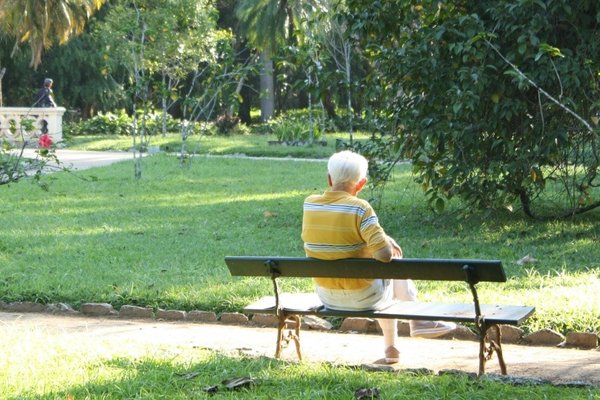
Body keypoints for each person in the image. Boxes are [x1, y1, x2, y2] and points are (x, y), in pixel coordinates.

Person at [301, 150, 456, 364]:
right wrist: (384, 242)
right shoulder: (360, 208)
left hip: (326, 295)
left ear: (329, 178)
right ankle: (415, 322)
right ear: (361, 183)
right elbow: (384, 256)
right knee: (391, 267)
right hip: (365, 297)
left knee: (382, 278)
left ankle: (396, 347)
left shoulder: (310, 204)